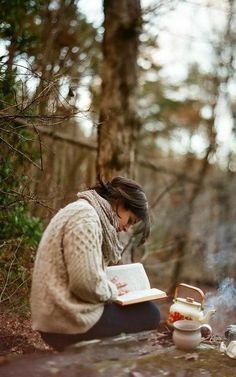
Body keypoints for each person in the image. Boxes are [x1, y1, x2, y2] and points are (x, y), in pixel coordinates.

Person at [30, 176, 160, 351]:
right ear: (120, 202)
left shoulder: (85, 212)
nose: (127, 228)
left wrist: (106, 287)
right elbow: (85, 283)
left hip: (57, 313)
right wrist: (113, 291)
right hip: (65, 318)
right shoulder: (86, 217)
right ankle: (109, 365)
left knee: (141, 309)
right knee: (149, 313)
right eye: (130, 220)